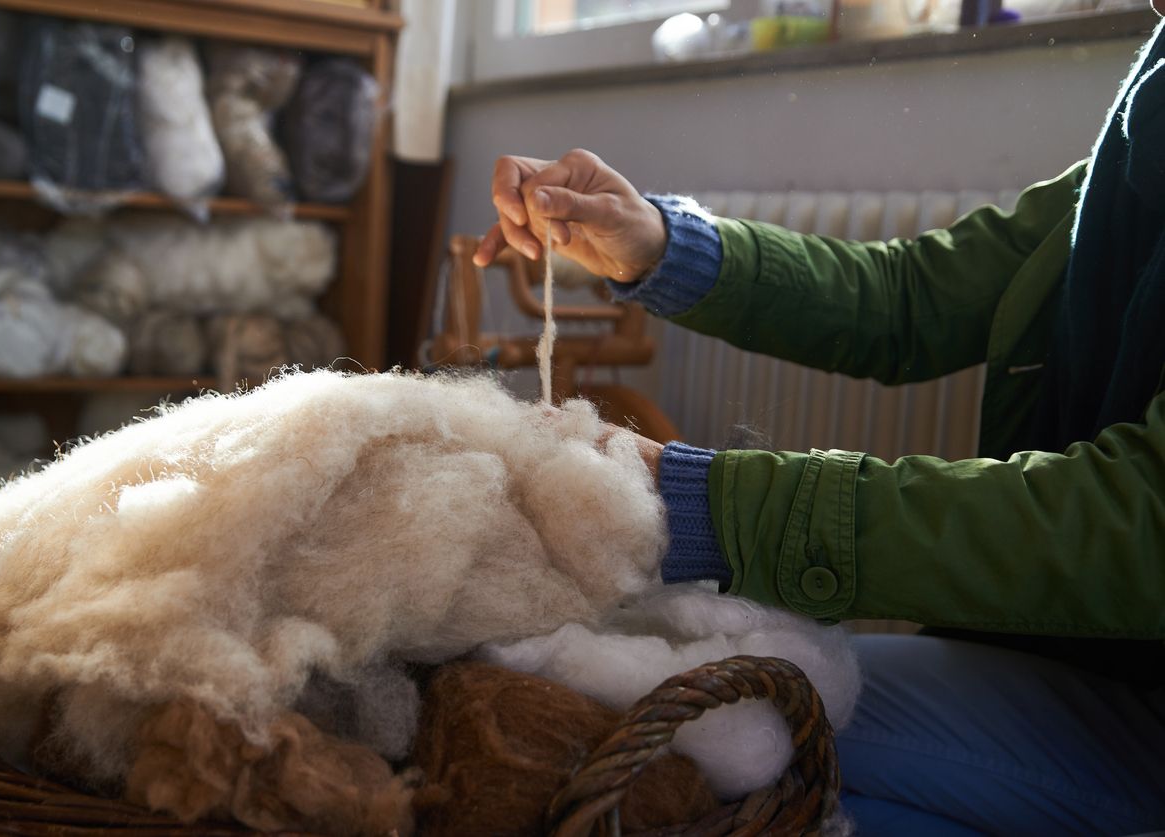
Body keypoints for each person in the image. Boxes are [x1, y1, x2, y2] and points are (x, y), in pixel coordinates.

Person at [475, 13, 1165, 837]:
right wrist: (657, 246)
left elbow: (1142, 522)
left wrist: (711, 505)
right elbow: (912, 297)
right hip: (1083, 662)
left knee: (710, 747)